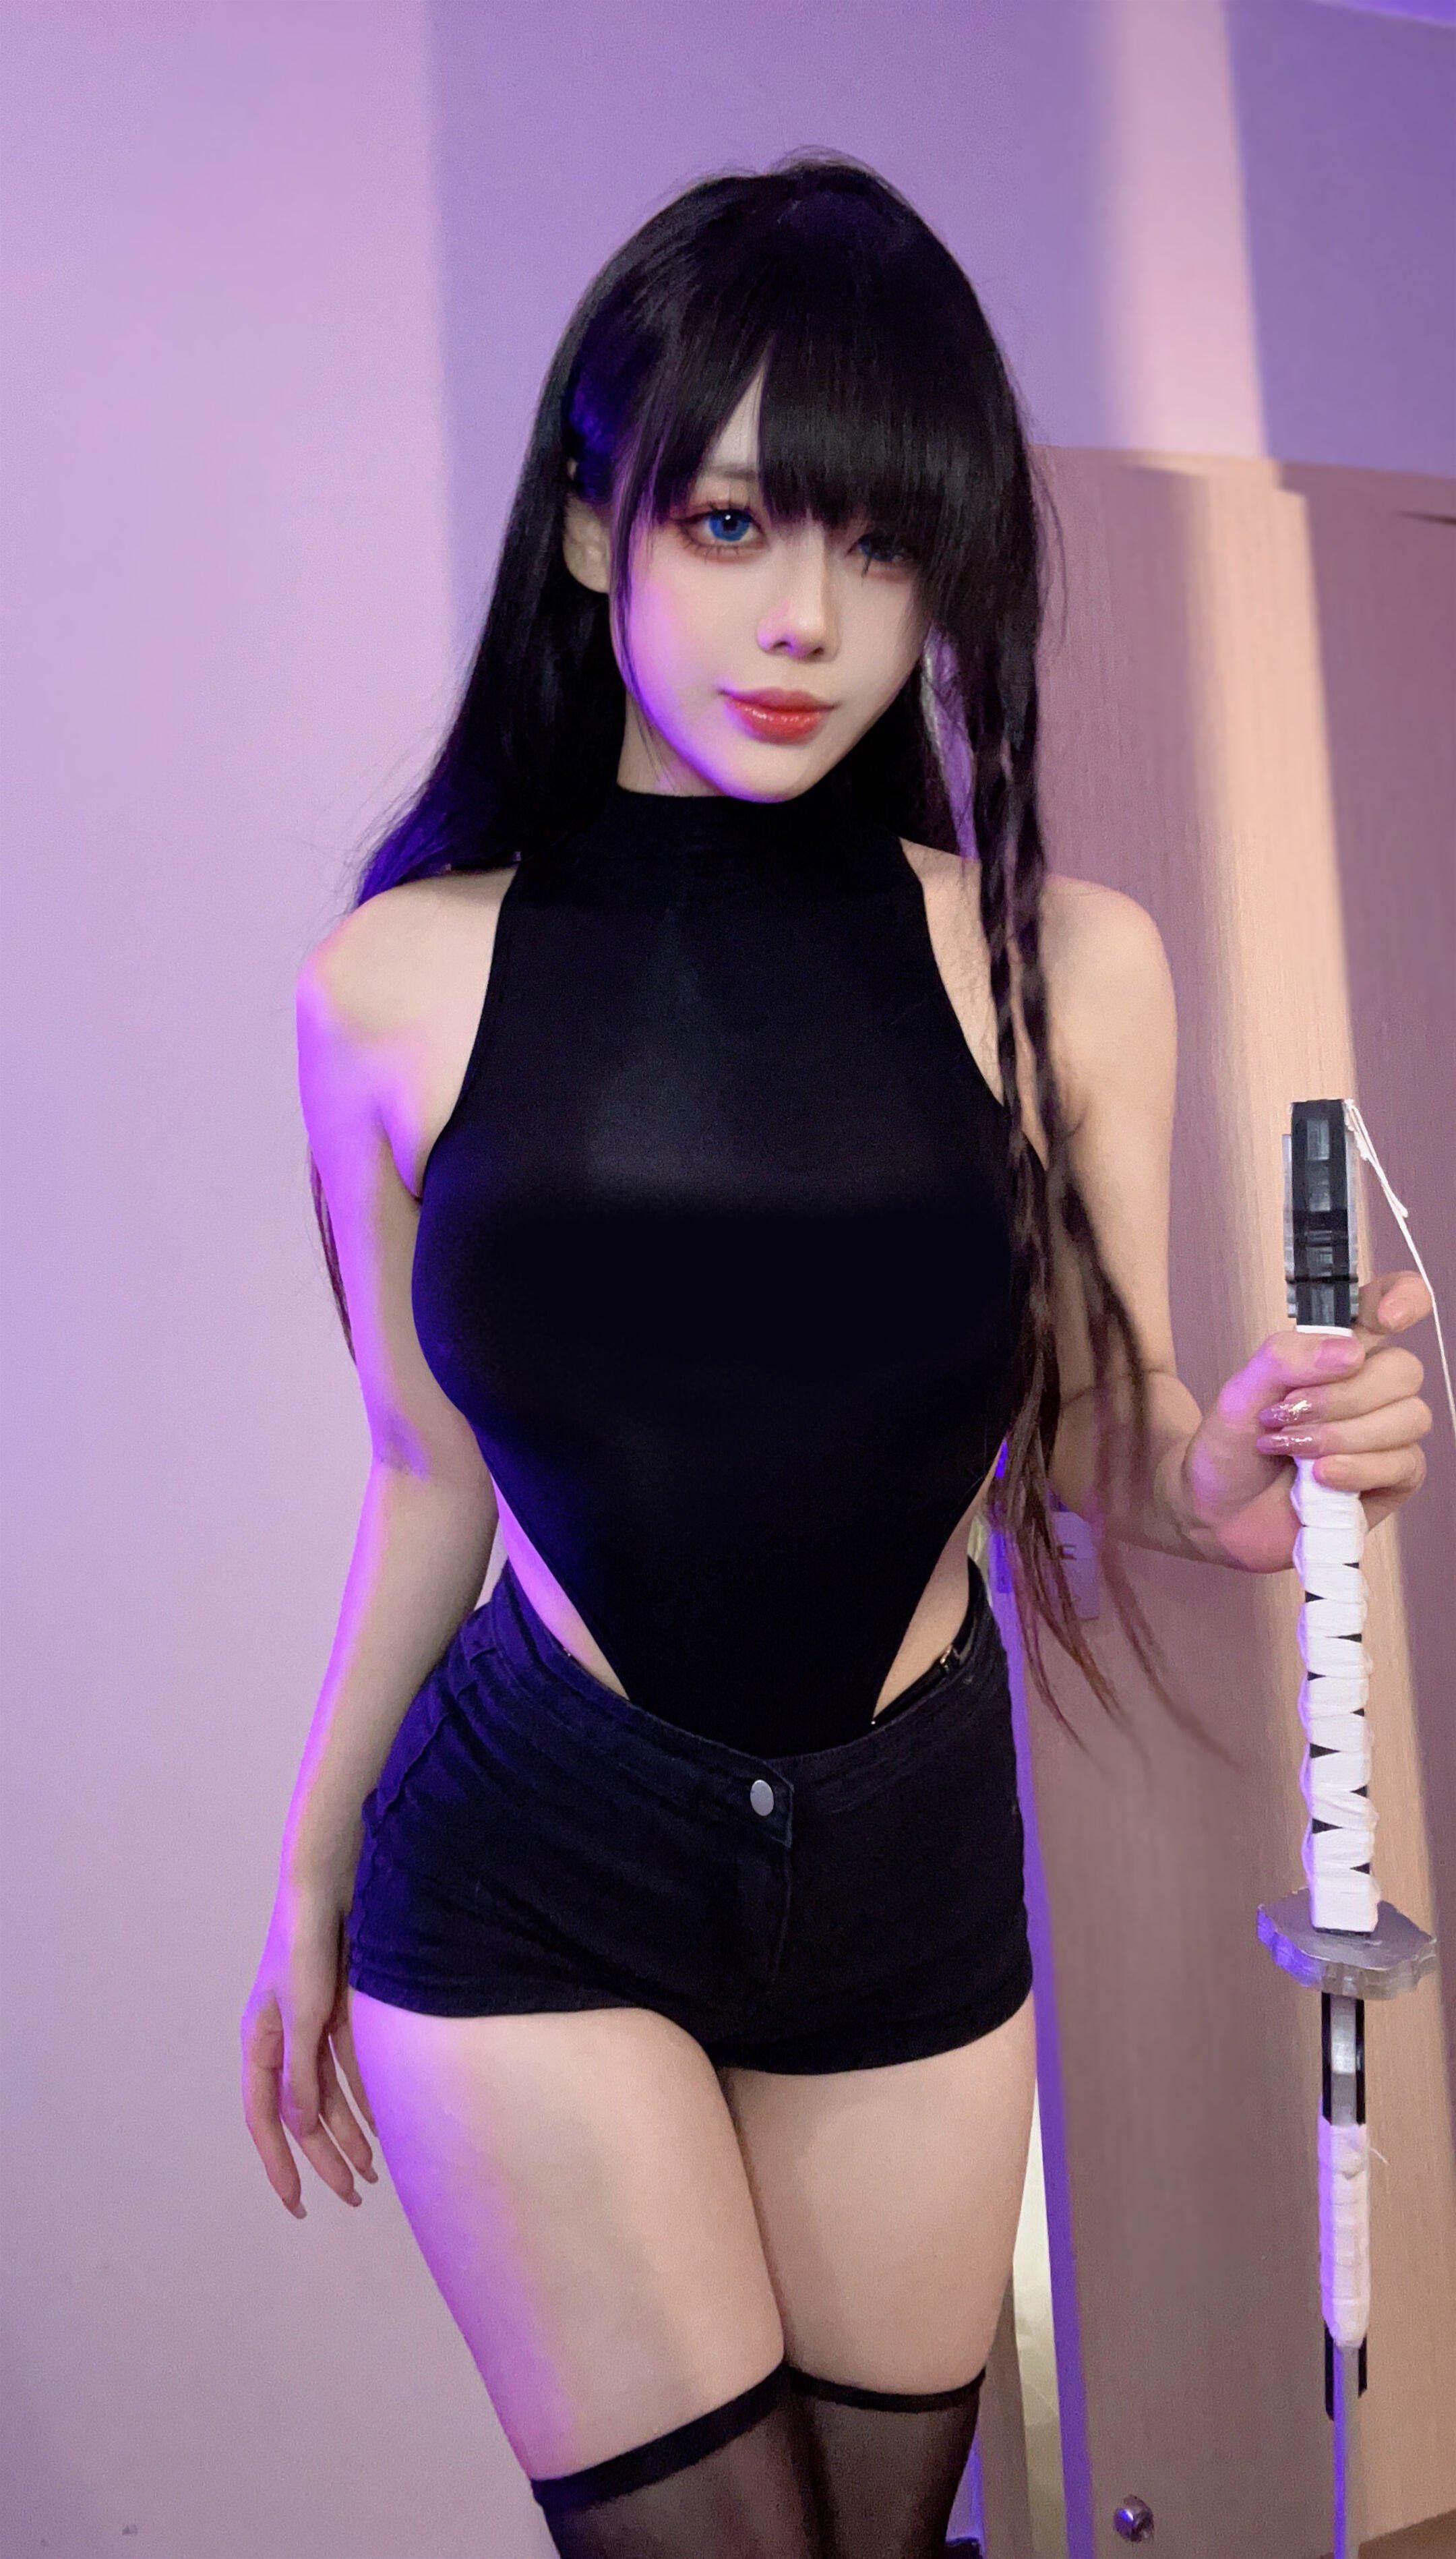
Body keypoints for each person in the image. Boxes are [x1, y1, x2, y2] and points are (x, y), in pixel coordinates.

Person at [240, 155, 1433, 2557]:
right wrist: (311, 1871)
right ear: (594, 528)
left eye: (883, 547)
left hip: (909, 1859)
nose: (809, 617)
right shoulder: (393, 985)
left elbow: (1094, 1428)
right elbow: (430, 1478)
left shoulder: (1067, 964)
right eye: (732, 521)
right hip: (539, 1856)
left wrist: (1223, 1473)